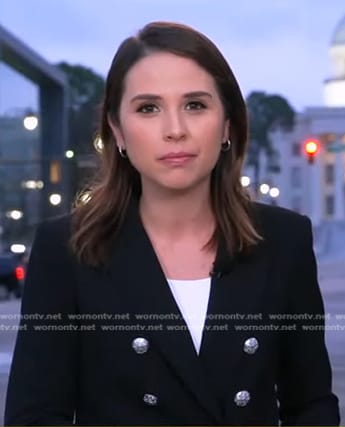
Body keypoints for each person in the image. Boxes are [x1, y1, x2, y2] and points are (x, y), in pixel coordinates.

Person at [4, 21, 340, 426]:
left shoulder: (284, 240)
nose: (175, 130)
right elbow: (35, 416)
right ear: (118, 131)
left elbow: (311, 405)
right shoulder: (66, 248)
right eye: (148, 108)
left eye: (195, 105)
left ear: (228, 124)